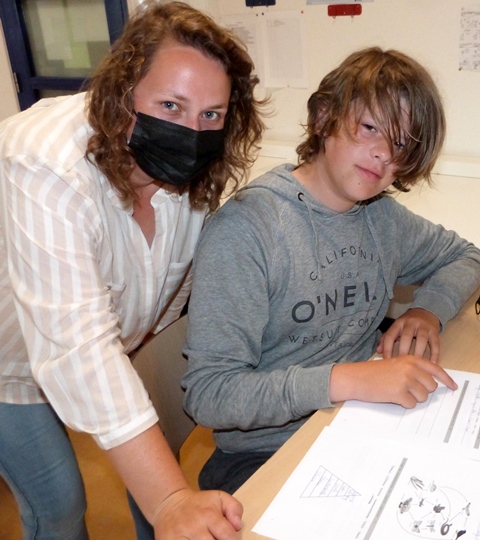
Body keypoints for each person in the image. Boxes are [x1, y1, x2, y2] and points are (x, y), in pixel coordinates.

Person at [0, 1, 266, 538]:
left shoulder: (192, 177)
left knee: (150, 468)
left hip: (99, 347)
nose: (191, 130)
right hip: (9, 363)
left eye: (211, 115)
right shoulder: (46, 163)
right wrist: (169, 500)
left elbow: (178, 282)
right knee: (59, 505)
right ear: (122, 94)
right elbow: (78, 346)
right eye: (171, 105)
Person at [182, 47, 480, 495]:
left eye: (401, 144)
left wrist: (427, 311)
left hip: (357, 420)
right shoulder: (248, 229)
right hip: (265, 451)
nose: (383, 154)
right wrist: (348, 378)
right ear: (323, 118)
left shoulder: (381, 217)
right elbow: (211, 394)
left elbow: (467, 255)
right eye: (370, 128)